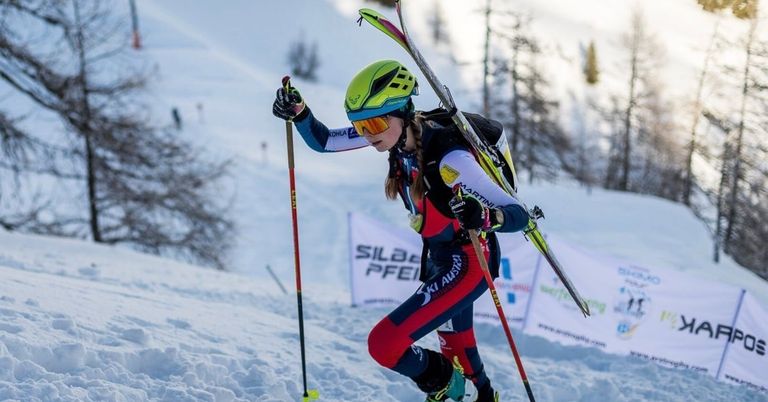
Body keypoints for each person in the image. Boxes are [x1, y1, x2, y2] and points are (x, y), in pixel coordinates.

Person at [272, 60, 529, 402]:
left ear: (403, 113)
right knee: (456, 344)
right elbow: (324, 142)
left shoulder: (450, 159)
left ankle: (446, 385)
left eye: (375, 123)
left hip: (469, 262)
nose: (367, 133)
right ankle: (480, 395)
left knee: (385, 343)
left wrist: (483, 216)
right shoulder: (393, 136)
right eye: (359, 125)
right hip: (441, 260)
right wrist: (300, 113)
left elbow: (519, 214)